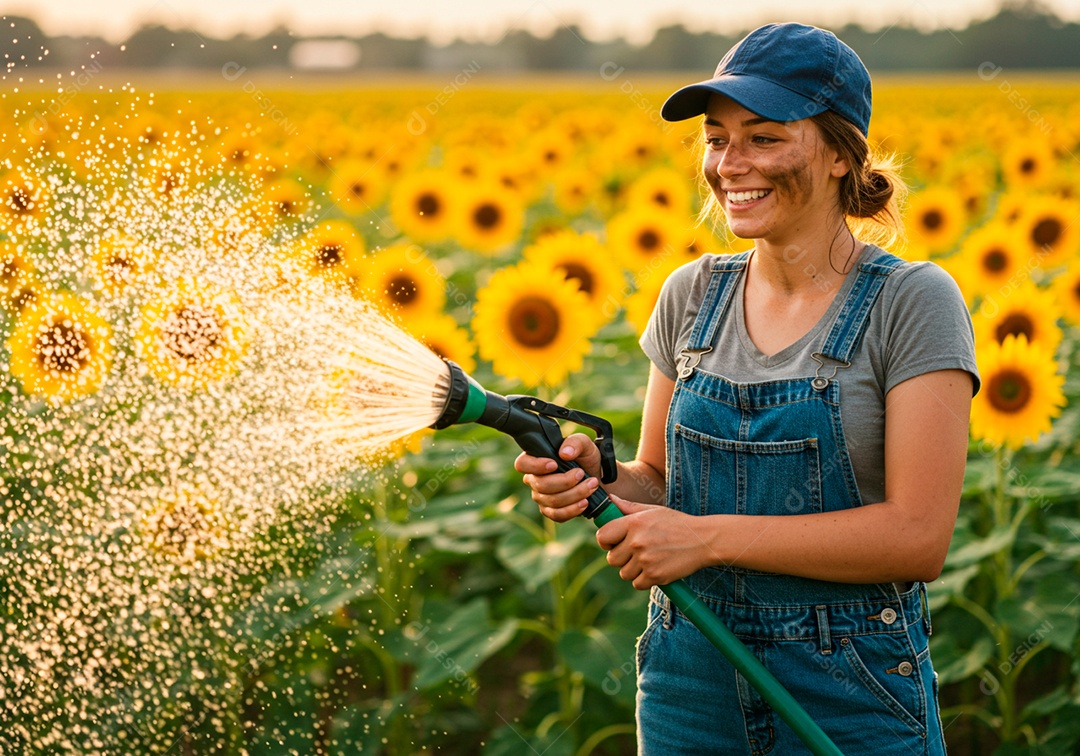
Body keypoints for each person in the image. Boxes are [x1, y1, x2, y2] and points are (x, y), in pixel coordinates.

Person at [514, 22, 979, 755]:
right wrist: (601, 478)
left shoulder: (912, 301)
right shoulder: (691, 294)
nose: (730, 164)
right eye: (716, 139)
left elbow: (918, 537)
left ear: (840, 154)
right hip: (689, 681)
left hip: (848, 685)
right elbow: (660, 480)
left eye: (763, 138)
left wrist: (703, 540)